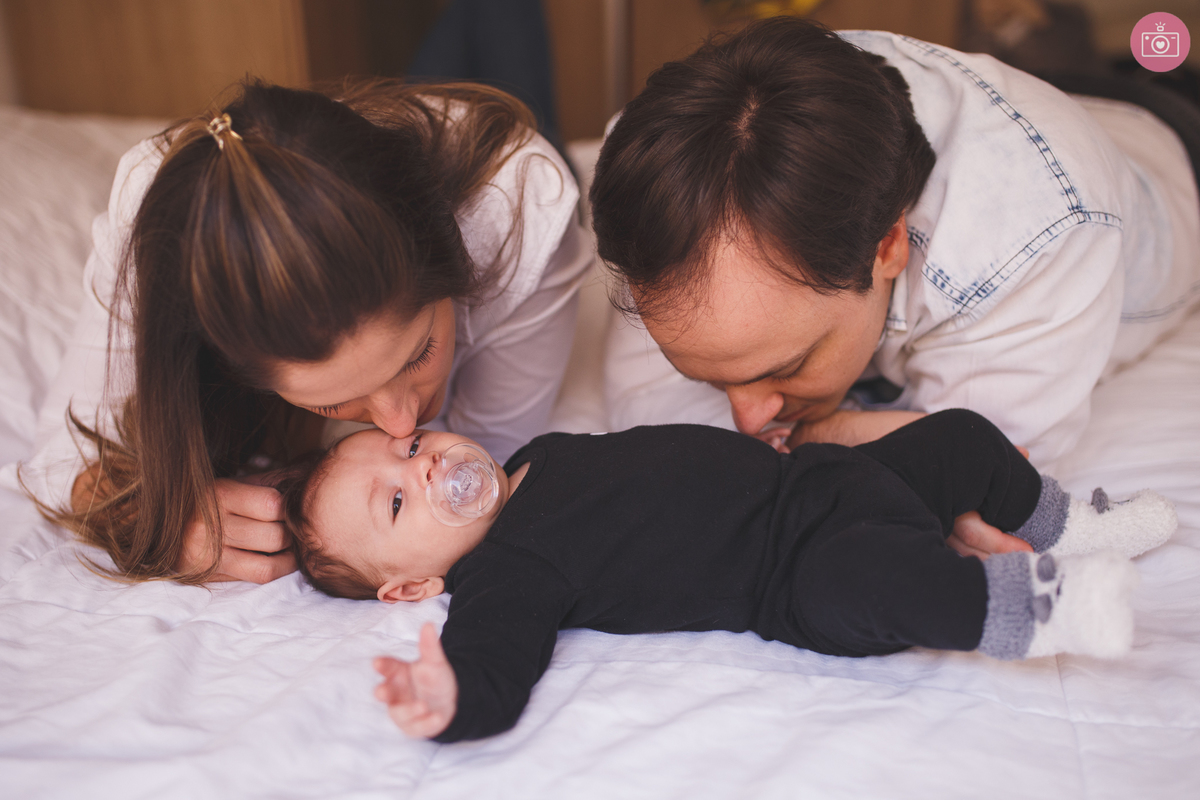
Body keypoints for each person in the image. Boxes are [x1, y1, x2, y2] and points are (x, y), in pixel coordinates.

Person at [276, 410, 1176, 742]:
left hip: (833, 483)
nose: (425, 468)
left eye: (408, 448)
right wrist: (448, 694)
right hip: (799, 569)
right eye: (396, 503)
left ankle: (1075, 525)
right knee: (884, 581)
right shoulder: (507, 572)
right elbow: (495, 665)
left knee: (962, 438)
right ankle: (1043, 606)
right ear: (407, 589)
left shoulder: (539, 456)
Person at [24, 79, 591, 585]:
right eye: (335, 402)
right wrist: (156, 518)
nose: (402, 421)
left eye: (418, 354)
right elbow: (60, 460)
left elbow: (485, 485)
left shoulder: (523, 208)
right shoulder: (159, 233)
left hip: (484, 149)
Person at [590, 19, 1200, 486]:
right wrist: (838, 431)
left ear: (888, 242)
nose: (750, 421)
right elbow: (651, 417)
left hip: (1161, 143)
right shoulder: (655, 179)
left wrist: (804, 440)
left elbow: (982, 467)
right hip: (1001, 101)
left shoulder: (1041, 232)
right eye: (709, 379)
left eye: (785, 367)